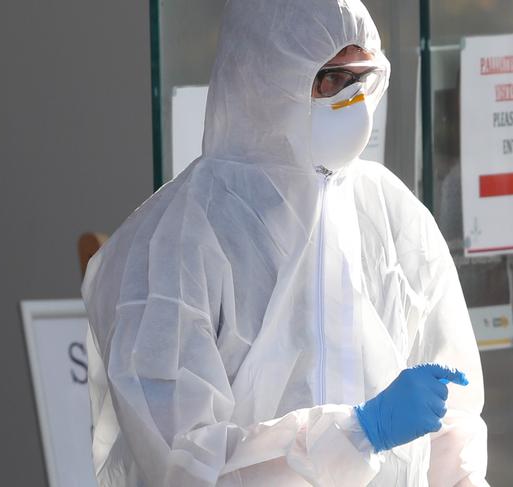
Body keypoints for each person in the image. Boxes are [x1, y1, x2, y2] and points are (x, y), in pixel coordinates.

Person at [82, 0, 488, 485]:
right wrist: (359, 433)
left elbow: (452, 420)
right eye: (328, 78)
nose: (350, 100)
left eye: (359, 79)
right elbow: (184, 460)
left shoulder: (389, 215)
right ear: (261, 76)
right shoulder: (172, 243)